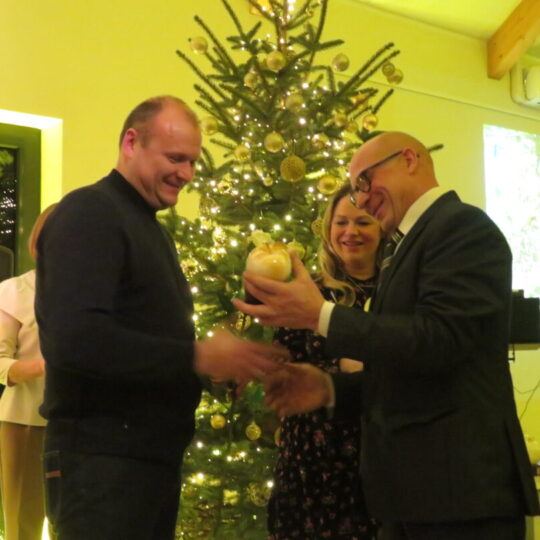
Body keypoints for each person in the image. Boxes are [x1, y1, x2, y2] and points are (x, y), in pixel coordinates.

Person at [234, 131, 540, 540]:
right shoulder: (405, 247)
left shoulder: (462, 227)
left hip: (459, 496)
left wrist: (320, 315)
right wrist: (328, 390)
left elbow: (438, 341)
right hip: (414, 497)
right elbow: (408, 372)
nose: (361, 200)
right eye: (354, 192)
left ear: (409, 159)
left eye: (365, 181)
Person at [35, 95, 287, 540]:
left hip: (143, 464)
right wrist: (197, 357)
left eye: (192, 162)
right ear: (131, 142)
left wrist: (212, 371)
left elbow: (142, 336)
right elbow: (76, 340)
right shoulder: (90, 212)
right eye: (175, 158)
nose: (186, 174)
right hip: (102, 464)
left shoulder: (149, 227)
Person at [268, 185, 381, 540]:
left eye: (363, 222)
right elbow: (282, 366)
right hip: (311, 459)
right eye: (341, 222)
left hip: (376, 456)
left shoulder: (397, 292)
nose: (350, 232)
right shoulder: (308, 291)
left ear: (382, 228)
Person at [0, 204, 56, 540]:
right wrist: (44, 366)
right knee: (23, 524)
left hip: (85, 423)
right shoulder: (14, 292)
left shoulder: (96, 292)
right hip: (25, 422)